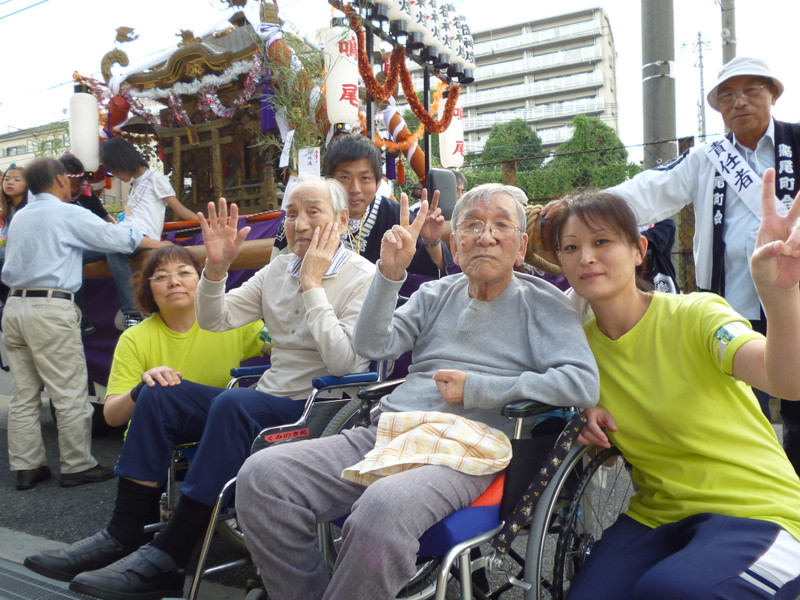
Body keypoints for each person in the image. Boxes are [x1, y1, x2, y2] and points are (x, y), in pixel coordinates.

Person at [235, 183, 599, 600]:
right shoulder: (434, 294)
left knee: (383, 508)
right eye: (473, 225)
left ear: (519, 248)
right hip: (388, 432)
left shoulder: (544, 303)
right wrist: (389, 276)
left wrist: (480, 388)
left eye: (501, 225)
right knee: (262, 477)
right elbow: (372, 345)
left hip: (468, 450)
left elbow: (581, 383)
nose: (485, 235)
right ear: (456, 246)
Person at [34, 176, 376, 600]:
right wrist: (215, 269)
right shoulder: (275, 270)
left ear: (342, 221)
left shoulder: (363, 276)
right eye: (291, 214)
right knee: (158, 392)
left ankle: (172, 555)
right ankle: (124, 534)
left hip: (320, 410)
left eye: (313, 212)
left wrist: (312, 284)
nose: (300, 223)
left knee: (235, 403)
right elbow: (215, 318)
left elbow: (348, 363)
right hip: (267, 400)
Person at [548, 175, 800, 599]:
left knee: (672, 590)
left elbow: (786, 380)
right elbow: (603, 454)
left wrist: (778, 296)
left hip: (757, 509)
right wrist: (583, 415)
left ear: (638, 252)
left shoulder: (697, 315)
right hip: (657, 517)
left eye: (602, 242)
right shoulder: (578, 352)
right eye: (571, 247)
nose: (586, 257)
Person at [570, 56, 800, 472]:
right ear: (718, 107)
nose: (739, 102)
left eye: (751, 90)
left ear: (774, 93)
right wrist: (582, 212)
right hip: (734, 312)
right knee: (743, 419)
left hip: (793, 304)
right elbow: (649, 189)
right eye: (727, 95)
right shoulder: (707, 158)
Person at [23, 243, 263, 581]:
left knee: (168, 394)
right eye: (161, 277)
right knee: (154, 390)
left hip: (222, 420)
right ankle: (127, 534)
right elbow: (113, 416)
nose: (174, 282)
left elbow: (285, 343)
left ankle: (126, 534)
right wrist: (138, 389)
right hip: (163, 429)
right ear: (148, 289)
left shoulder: (231, 322)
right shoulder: (136, 337)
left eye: (184, 273)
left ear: (203, 281)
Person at [1, 158, 166, 491]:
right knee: (69, 390)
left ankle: (27, 467)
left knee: (24, 394)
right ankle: (77, 465)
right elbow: (119, 239)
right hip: (50, 308)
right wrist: (160, 244)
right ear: (61, 180)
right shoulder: (66, 213)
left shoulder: (21, 217)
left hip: (15, 307)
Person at [273, 133, 453, 280]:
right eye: (344, 178)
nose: (355, 189)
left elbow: (436, 273)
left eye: (365, 178)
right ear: (328, 179)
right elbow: (278, 280)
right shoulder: (302, 218)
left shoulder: (396, 216)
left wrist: (432, 241)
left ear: (377, 183)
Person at [99, 137, 198, 328]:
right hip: (121, 236)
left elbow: (178, 209)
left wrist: (204, 223)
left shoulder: (155, 178)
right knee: (81, 252)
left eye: (114, 169)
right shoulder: (135, 186)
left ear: (122, 161)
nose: (115, 175)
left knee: (113, 248)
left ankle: (132, 312)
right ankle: (83, 317)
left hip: (140, 237)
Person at [59, 153, 115, 335]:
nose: (73, 188)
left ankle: (132, 311)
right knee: (72, 258)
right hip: (65, 251)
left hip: (92, 245)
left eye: (77, 184)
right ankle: (81, 320)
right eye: (69, 183)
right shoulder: (51, 202)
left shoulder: (87, 197)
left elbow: (107, 220)